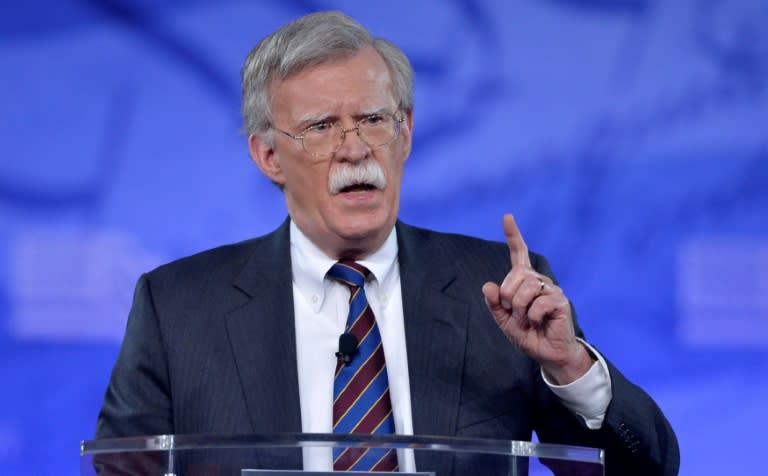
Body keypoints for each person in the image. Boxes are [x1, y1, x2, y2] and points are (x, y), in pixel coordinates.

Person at [95, 11, 679, 475]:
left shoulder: (502, 293)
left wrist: (568, 368)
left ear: (406, 133)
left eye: (374, 119)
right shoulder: (177, 308)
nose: (355, 149)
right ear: (268, 155)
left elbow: (644, 470)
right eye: (323, 127)